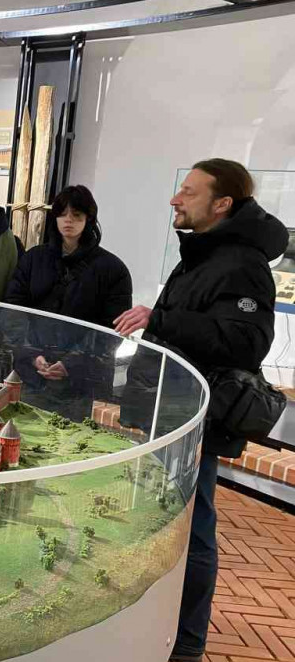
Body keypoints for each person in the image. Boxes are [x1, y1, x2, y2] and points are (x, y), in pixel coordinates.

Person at [114, 159, 287, 662]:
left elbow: (246, 341)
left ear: (222, 204)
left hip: (194, 420)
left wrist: (161, 318)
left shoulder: (243, 264)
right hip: (169, 411)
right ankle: (158, 618)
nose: (175, 199)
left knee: (192, 527)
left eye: (188, 192)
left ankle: (187, 641)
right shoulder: (205, 253)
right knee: (169, 517)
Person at [4, 185, 132, 420]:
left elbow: (112, 328)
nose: (68, 220)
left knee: (77, 438)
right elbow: (14, 310)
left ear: (89, 218)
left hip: (85, 384)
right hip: (32, 376)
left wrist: (71, 363)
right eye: (62, 214)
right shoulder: (33, 259)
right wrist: (32, 354)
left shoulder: (113, 269)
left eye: (76, 214)